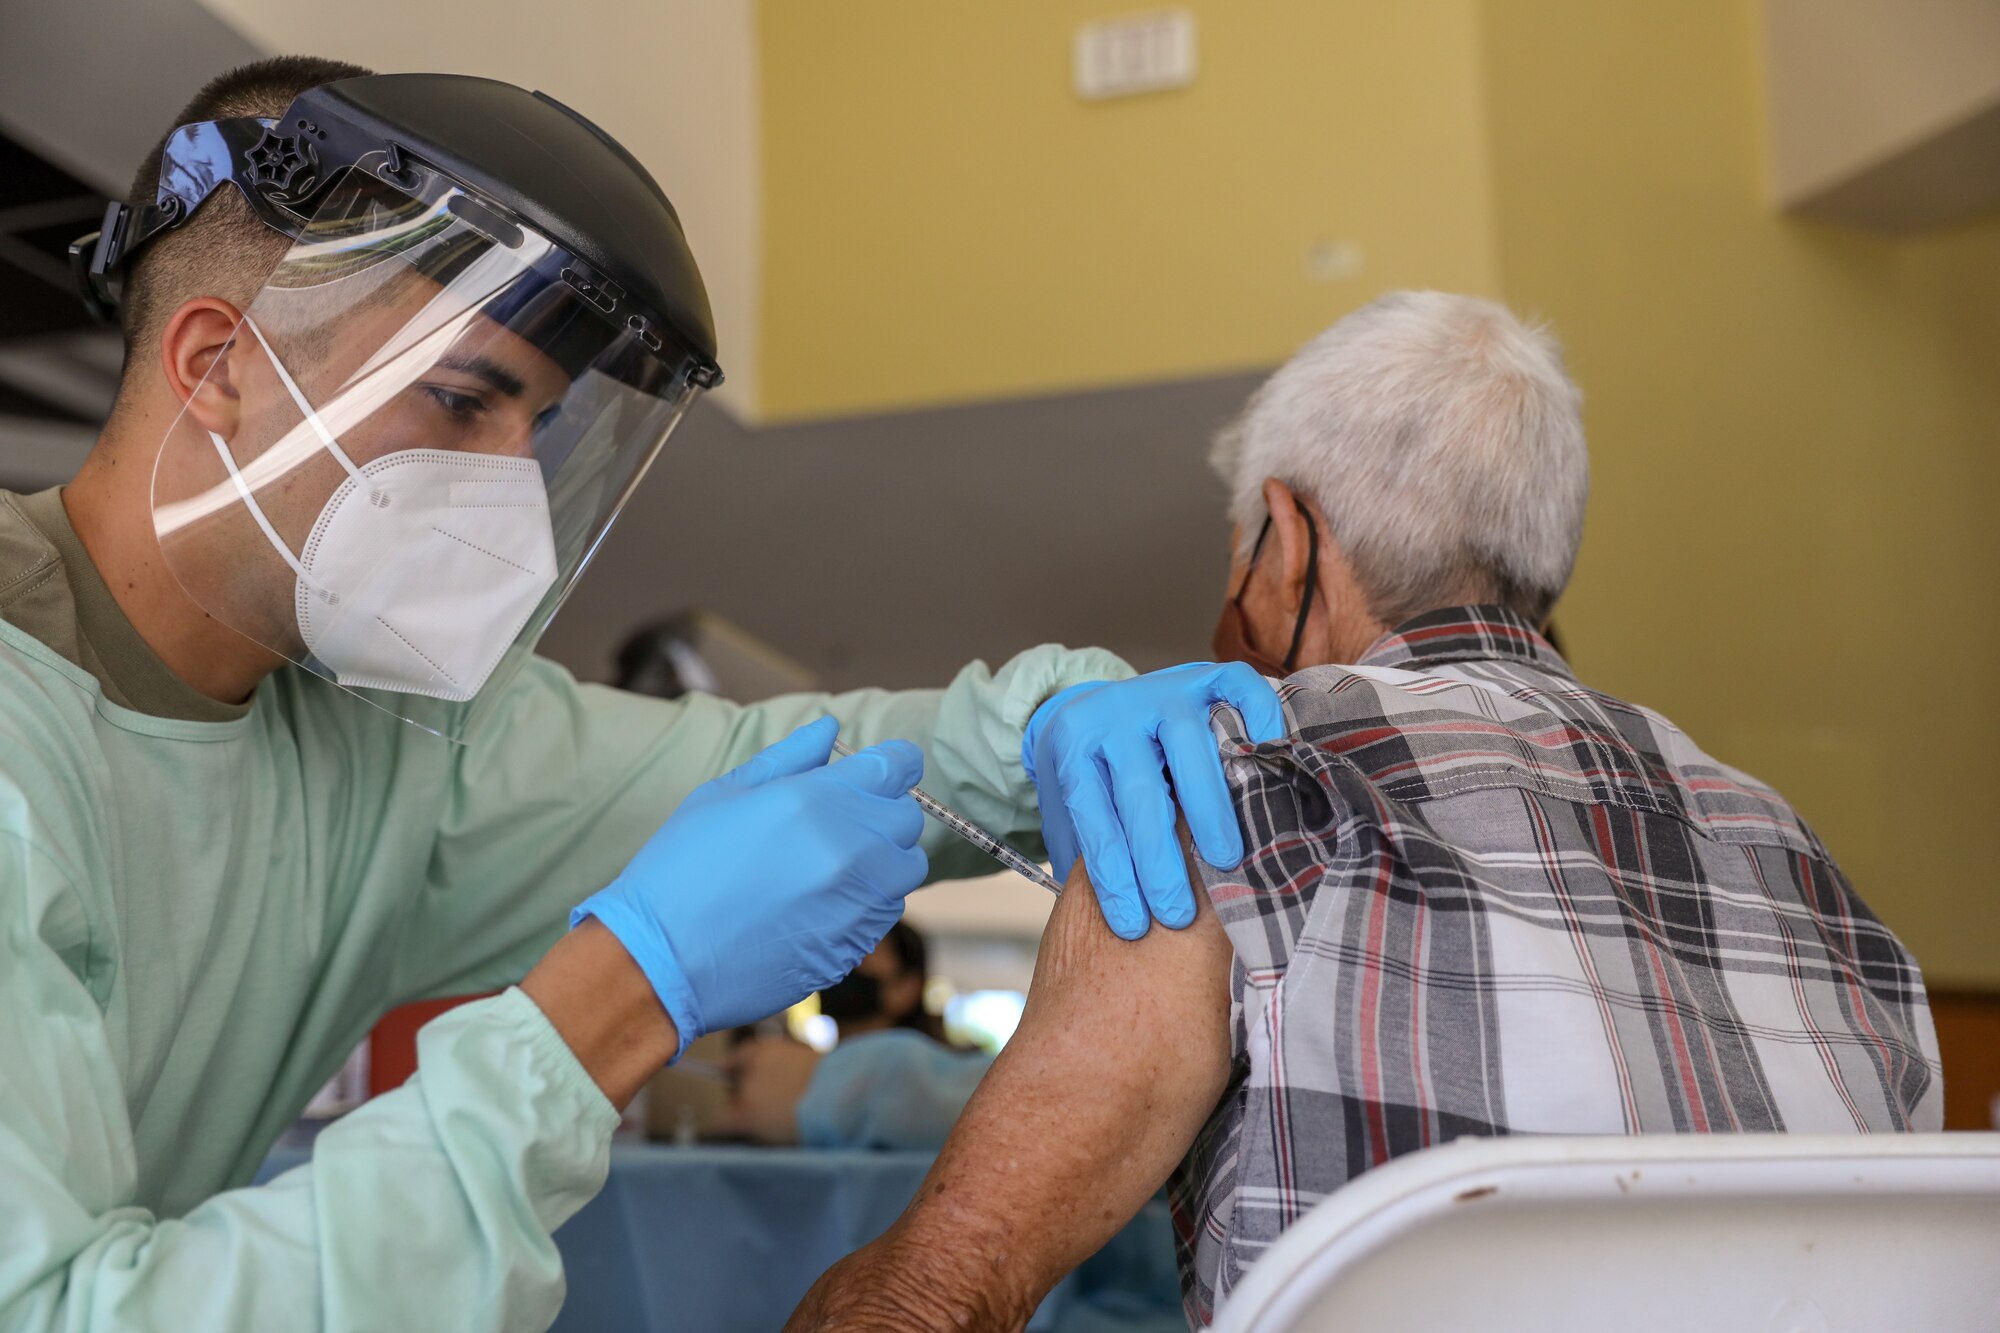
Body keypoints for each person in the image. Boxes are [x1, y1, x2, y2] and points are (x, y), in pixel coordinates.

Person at [0, 58, 1282, 1332]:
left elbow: (797, 758)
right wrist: (617, 995)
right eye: (462, 402)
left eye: (538, 434)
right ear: (218, 363)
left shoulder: (393, 743)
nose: (511, 500)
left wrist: (1051, 727)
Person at [783, 292, 1943, 1330]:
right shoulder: (1801, 858)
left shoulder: (1220, 786)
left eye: (1238, 561)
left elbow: (932, 1296)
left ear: (1284, 542)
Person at [719, 921, 997, 1150]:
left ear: (906, 988)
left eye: (861, 952)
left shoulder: (919, 1087)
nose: (839, 966)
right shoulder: (807, 1076)